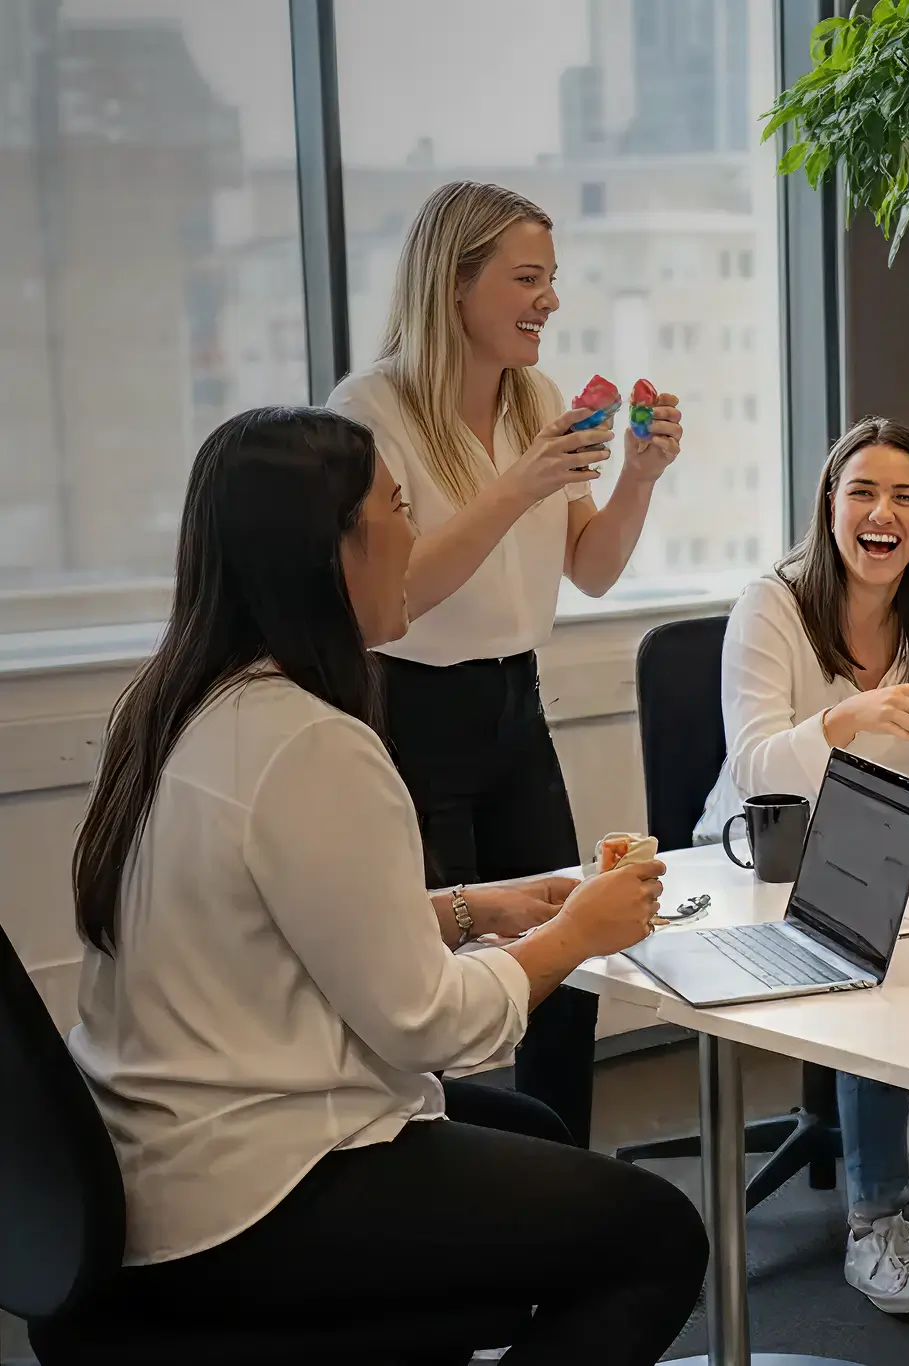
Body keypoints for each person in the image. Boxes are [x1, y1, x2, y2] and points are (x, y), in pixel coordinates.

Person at [57, 407, 706, 1365]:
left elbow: (288, 925)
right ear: (331, 553)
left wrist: (470, 910)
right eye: (396, 508)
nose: (414, 534)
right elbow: (429, 1027)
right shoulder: (315, 743)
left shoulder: (178, 704)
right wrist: (578, 932)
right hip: (249, 1192)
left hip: (150, 1154)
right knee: (659, 1238)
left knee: (533, 1128)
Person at [328, 181, 682, 1148]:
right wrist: (517, 481)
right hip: (408, 711)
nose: (550, 302)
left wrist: (639, 480)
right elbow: (395, 599)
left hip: (515, 708)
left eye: (553, 280)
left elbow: (593, 569)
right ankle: (425, 1179)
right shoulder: (369, 413)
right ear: (454, 286)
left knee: (568, 953)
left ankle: (561, 1173)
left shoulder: (537, 399)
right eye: (528, 280)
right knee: (418, 975)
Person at [701, 416, 909, 1315]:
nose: (883, 514)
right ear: (830, 508)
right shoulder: (770, 605)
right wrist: (852, 718)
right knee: (876, 965)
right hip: (759, 857)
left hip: (884, 845)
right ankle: (875, 1221)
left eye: (906, 499)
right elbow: (754, 767)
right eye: (863, 493)